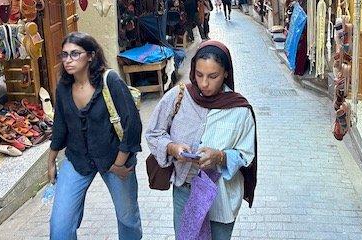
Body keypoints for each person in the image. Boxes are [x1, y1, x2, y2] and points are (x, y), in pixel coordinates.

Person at [145, 41, 257, 240]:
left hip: (221, 195)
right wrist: (172, 148)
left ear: (226, 73)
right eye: (199, 74)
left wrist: (220, 157)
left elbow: (246, 156)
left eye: (213, 76)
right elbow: (154, 133)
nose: (204, 83)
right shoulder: (179, 96)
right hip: (185, 192)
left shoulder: (239, 110)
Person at [47, 32, 142, 240]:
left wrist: (118, 163)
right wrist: (51, 160)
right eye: (64, 55)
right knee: (60, 226)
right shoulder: (63, 87)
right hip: (78, 158)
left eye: (75, 54)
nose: (68, 60)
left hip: (114, 157)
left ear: (90, 56)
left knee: (127, 218)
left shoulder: (110, 81)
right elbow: (60, 125)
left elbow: (132, 124)